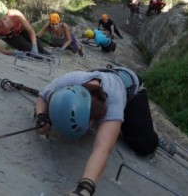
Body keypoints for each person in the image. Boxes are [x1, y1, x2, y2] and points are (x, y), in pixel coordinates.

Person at [34, 66, 176, 195]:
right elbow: (43, 97)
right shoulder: (70, 82)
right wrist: (41, 116)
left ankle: (154, 134)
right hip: (104, 74)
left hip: (131, 91)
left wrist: (85, 188)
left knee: (144, 145)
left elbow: (102, 148)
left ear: (94, 120)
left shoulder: (114, 104)